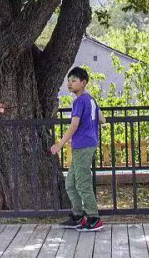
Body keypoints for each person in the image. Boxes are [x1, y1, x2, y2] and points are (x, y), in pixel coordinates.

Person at [50, 66, 105, 232]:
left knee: (82, 183)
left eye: (74, 80)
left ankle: (94, 219)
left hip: (83, 145)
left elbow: (74, 125)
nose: (70, 83)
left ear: (84, 83)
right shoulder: (90, 99)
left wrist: (59, 145)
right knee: (70, 183)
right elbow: (102, 119)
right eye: (69, 80)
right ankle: (78, 216)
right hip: (86, 144)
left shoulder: (79, 101)